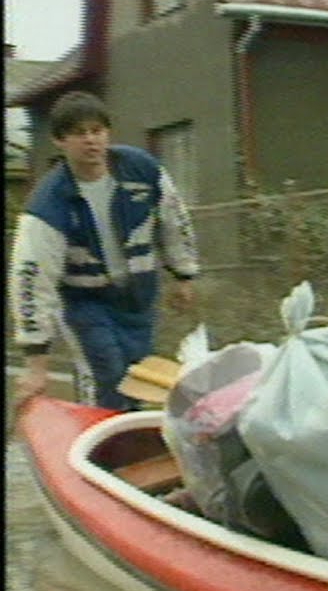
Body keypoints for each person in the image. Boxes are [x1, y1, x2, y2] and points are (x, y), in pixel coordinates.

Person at [8, 91, 199, 410]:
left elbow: (174, 220)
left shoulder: (143, 171)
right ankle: (100, 451)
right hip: (86, 303)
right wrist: (36, 364)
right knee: (107, 377)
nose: (91, 141)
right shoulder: (48, 205)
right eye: (79, 133)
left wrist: (183, 273)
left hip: (137, 298)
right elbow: (30, 280)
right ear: (60, 141)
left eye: (97, 131)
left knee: (137, 379)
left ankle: (130, 447)